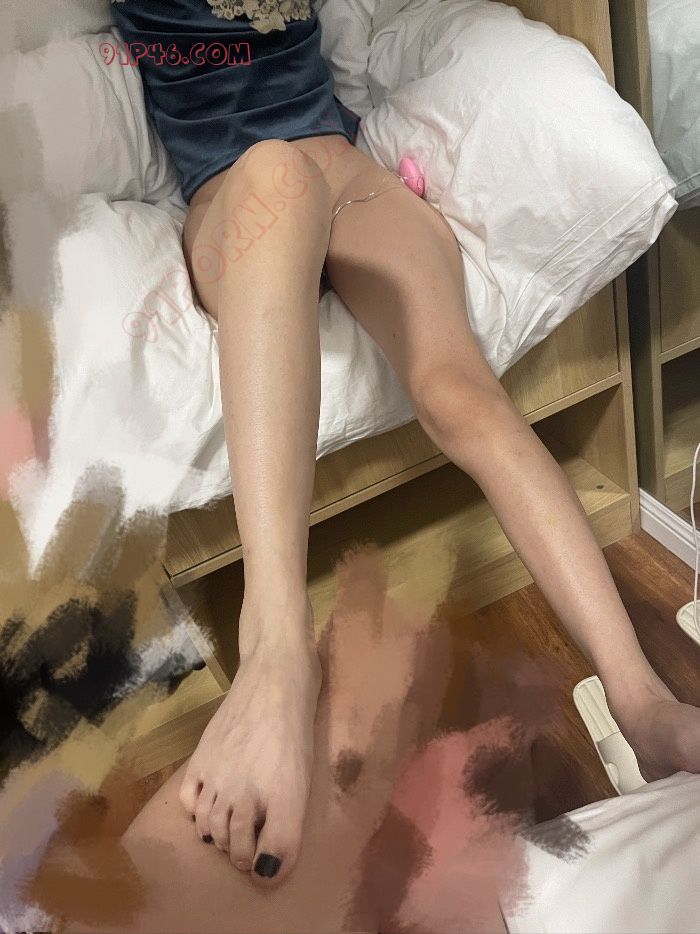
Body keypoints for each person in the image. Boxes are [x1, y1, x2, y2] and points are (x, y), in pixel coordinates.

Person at [110, 0, 700, 889]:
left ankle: (642, 703)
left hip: (344, 171)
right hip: (236, 192)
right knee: (275, 172)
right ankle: (275, 651)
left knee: (462, 392)